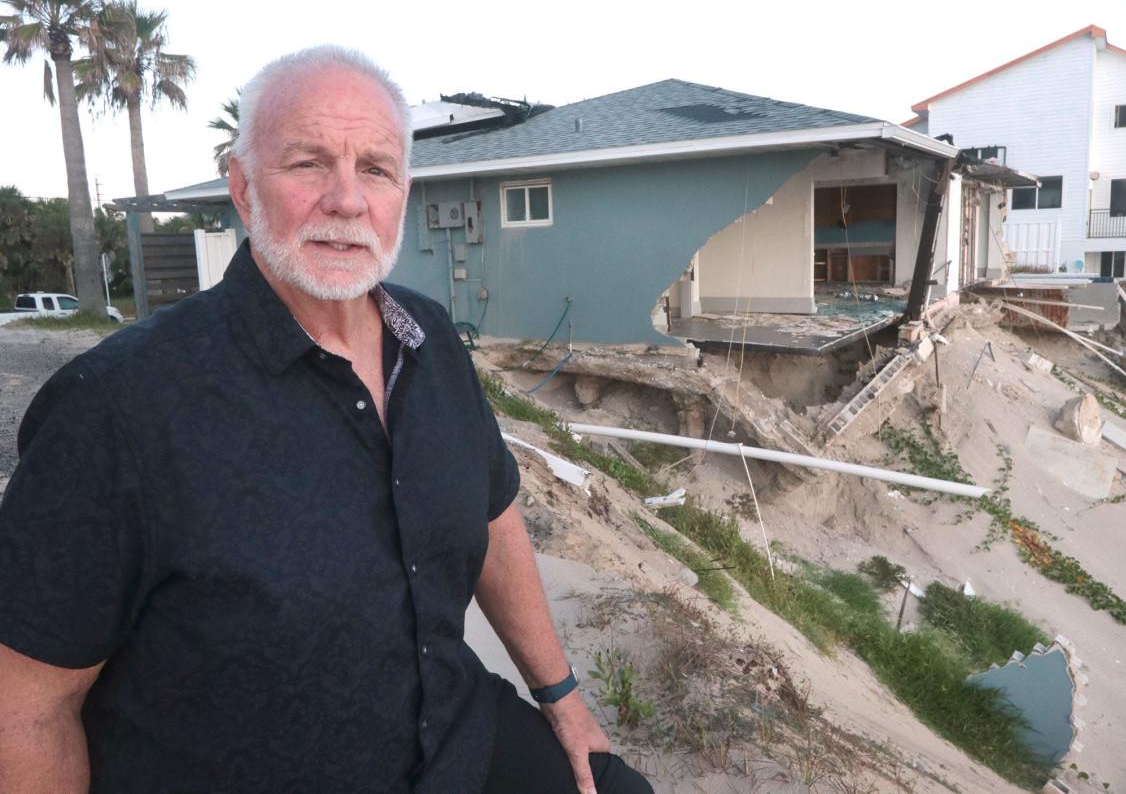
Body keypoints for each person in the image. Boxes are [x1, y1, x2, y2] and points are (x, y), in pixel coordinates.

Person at [0, 46, 652, 794]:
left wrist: (562, 697)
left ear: (402, 191)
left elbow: (495, 516)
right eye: (308, 163)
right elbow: (27, 705)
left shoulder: (431, 342)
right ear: (243, 188)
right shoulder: (118, 406)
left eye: (374, 168)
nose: (347, 201)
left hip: (454, 745)